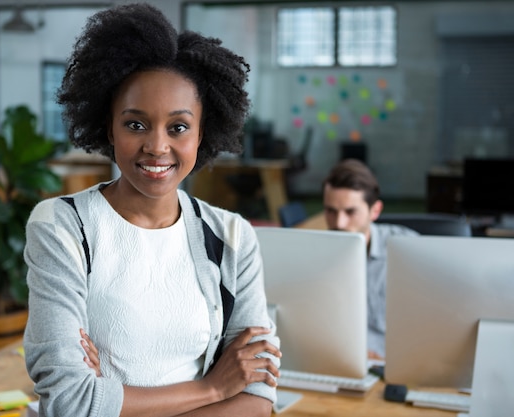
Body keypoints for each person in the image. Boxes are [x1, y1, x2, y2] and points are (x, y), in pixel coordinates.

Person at [22, 3, 281, 417]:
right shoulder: (61, 226)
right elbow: (70, 401)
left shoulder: (232, 236)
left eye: (178, 127)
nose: (157, 147)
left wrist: (111, 396)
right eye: (135, 124)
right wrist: (213, 388)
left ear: (201, 133)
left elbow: (257, 395)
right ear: (109, 127)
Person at [321, 158, 418, 359]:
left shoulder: (409, 251)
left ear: (375, 211)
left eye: (350, 212)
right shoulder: (315, 256)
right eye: (331, 211)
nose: (339, 223)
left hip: (396, 362)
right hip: (339, 360)